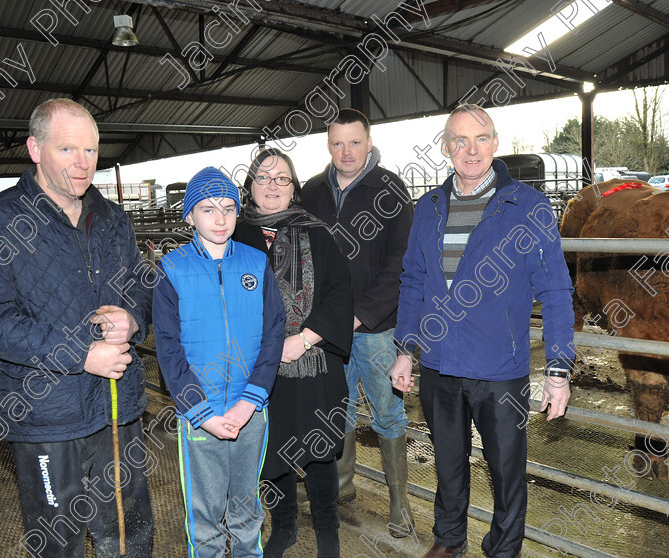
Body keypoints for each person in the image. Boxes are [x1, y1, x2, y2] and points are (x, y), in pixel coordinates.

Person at [0, 98, 154, 557]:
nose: (83, 164)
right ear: (34, 149)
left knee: (127, 531)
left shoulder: (112, 219)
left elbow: (143, 286)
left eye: (90, 150)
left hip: (116, 406)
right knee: (57, 541)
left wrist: (132, 317)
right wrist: (81, 354)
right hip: (43, 413)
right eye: (68, 150)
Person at [390, 104, 576, 558]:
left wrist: (558, 369)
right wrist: (404, 349)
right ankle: (449, 540)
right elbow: (413, 279)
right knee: (448, 464)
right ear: (445, 147)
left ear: (495, 143)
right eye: (460, 140)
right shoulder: (429, 206)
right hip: (439, 363)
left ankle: (503, 550)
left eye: (480, 139)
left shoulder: (527, 206)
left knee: (506, 469)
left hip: (500, 367)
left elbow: (554, 288)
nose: (470, 150)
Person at [153, 166, 285, 557]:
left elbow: (273, 331)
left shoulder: (256, 263)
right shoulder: (172, 269)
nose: (221, 218)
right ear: (189, 215)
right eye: (208, 209)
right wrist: (200, 411)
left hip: (250, 409)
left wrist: (251, 400)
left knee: (246, 508)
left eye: (228, 208)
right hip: (201, 413)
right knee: (205, 513)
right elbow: (168, 348)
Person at [300, 108, 415, 537]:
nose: (346, 151)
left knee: (388, 413)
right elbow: (305, 258)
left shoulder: (391, 188)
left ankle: (400, 504)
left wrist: (360, 313)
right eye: (337, 143)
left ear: (368, 143)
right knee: (338, 410)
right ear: (327, 145)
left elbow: (400, 262)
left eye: (354, 142)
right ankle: (343, 487)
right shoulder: (311, 192)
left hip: (378, 328)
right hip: (328, 328)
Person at [234, 149, 353, 558]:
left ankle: (327, 532)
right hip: (257, 367)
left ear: (294, 189)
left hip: (313, 359)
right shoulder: (233, 235)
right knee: (270, 450)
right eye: (264, 178)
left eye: (282, 179)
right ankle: (283, 528)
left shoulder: (317, 233)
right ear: (250, 186)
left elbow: (339, 296)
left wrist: (301, 339)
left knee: (320, 451)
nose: (272, 186)